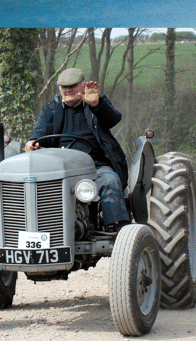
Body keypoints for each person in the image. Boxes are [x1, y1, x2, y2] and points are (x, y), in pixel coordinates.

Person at [26, 68, 130, 233]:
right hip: (59, 169)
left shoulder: (97, 102)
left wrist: (96, 105)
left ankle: (117, 229)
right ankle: (40, 230)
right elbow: (39, 134)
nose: (67, 90)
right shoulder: (50, 108)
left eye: (72, 86)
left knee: (110, 181)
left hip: (95, 167)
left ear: (83, 86)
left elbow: (113, 119)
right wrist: (31, 142)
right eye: (63, 87)